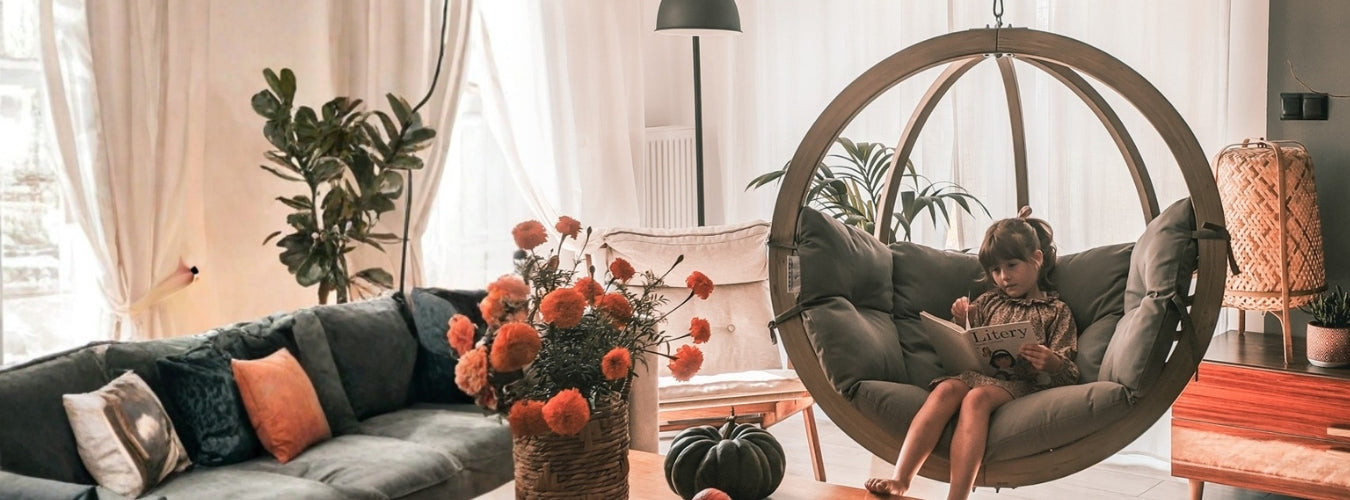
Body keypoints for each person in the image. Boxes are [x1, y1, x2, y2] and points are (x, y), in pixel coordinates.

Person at [864, 208, 1080, 500]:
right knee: (945, 390)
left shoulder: (1056, 311)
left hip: (1018, 385)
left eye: (1012, 266)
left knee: (977, 397)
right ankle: (901, 478)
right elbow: (971, 342)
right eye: (995, 270)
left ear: (1037, 259)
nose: (1003, 277)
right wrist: (960, 319)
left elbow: (1069, 371)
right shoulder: (990, 301)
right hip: (975, 375)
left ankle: (957, 496)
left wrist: (1052, 362)